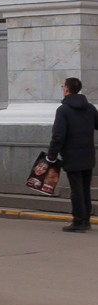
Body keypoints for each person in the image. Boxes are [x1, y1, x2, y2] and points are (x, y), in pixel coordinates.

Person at [48, 77, 98, 232]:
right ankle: (86, 221)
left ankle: (78, 222)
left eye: (63, 86)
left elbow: (58, 135)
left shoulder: (63, 110)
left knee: (76, 190)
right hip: (88, 154)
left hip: (71, 155)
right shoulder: (90, 108)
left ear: (66, 89)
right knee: (84, 189)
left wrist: (51, 154)